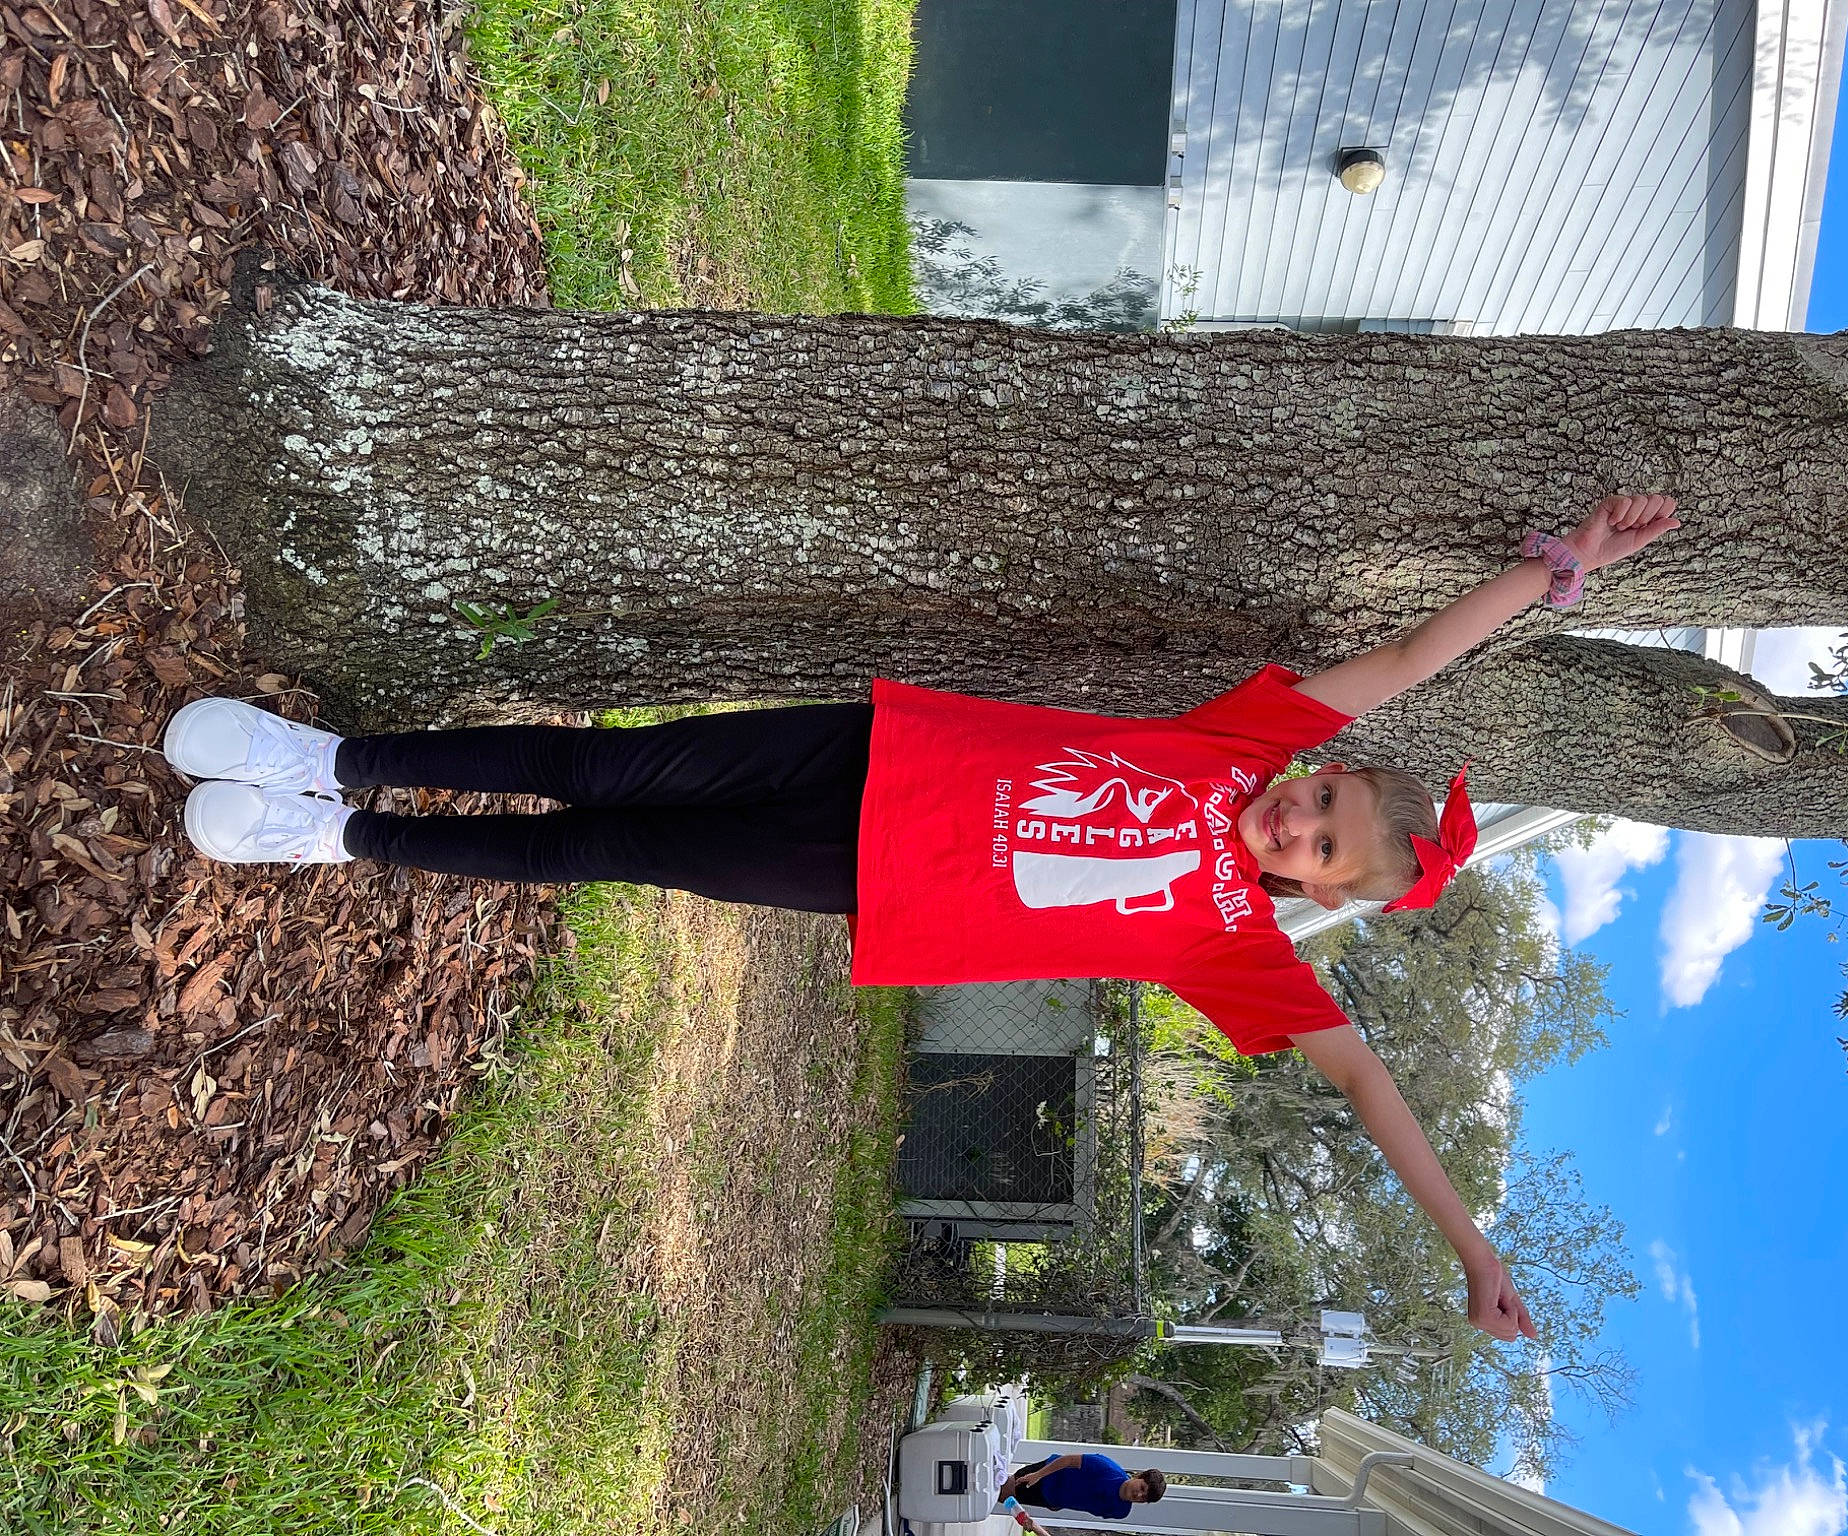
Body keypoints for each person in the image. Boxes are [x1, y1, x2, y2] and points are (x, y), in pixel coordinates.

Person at [167, 495, 1679, 1340]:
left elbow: (1368, 1085)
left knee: (611, 846)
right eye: (1322, 800)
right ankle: (326, 759)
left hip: (870, 880)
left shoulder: (1237, 948)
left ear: (1323, 892)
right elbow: (1415, 659)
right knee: (605, 760)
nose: (1299, 824)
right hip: (871, 753)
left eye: (1324, 851)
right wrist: (1562, 571)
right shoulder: (1246, 742)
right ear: (1320, 770)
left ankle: (342, 840)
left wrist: (1469, 1244)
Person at [1001, 1452, 1165, 1528]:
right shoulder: (1106, 1467)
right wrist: (1037, 1475)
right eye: (1142, 1488)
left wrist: (1059, 1504)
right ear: (1139, 1476)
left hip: (1051, 1498)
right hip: (1048, 1475)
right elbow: (1069, 1460)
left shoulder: (1121, 1511)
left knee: (1005, 1498)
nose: (1139, 1495)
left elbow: (1087, 1503)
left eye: (1144, 1498)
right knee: (1005, 1487)